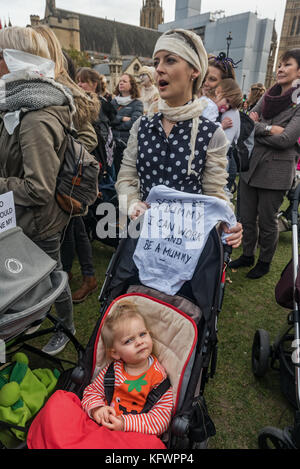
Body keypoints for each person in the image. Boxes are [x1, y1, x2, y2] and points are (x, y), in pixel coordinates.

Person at [0, 26, 92, 355]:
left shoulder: (35, 116)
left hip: (40, 220)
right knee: (34, 273)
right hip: (21, 214)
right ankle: (33, 317)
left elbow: (38, 190)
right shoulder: (17, 106)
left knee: (53, 275)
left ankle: (65, 327)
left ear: (12, 61)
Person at [115, 28, 243, 248]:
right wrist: (133, 204)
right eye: (156, 62)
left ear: (194, 70)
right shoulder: (142, 126)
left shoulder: (211, 133)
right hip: (143, 238)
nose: (159, 69)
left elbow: (215, 194)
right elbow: (126, 177)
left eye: (170, 60)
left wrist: (226, 223)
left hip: (187, 247)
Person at [34, 25, 99, 308]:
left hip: (64, 183)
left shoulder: (62, 88)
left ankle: (83, 279)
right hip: (49, 186)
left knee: (75, 229)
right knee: (71, 233)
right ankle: (73, 277)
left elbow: (88, 136)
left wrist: (59, 158)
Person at [229, 49, 300, 278]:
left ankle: (265, 261)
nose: (280, 68)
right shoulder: (269, 95)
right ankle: (247, 255)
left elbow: (286, 139)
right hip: (252, 167)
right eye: (279, 64)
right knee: (246, 217)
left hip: (276, 173)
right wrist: (269, 128)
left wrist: (259, 129)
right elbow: (246, 123)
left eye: (287, 64)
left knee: (268, 222)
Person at [81, 300, 173, 434]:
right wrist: (98, 409)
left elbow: (161, 419)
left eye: (142, 334)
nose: (139, 342)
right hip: (103, 427)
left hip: (135, 433)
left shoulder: (158, 377)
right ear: (115, 353)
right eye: (129, 341)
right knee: (61, 400)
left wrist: (125, 424)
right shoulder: (113, 370)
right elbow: (92, 391)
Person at [111, 73, 144, 174]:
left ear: (132, 85)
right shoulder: (113, 102)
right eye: (120, 81)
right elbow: (108, 120)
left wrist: (116, 124)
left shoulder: (137, 103)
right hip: (112, 144)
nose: (121, 83)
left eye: (124, 81)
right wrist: (123, 118)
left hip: (127, 144)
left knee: (126, 173)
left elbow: (134, 122)